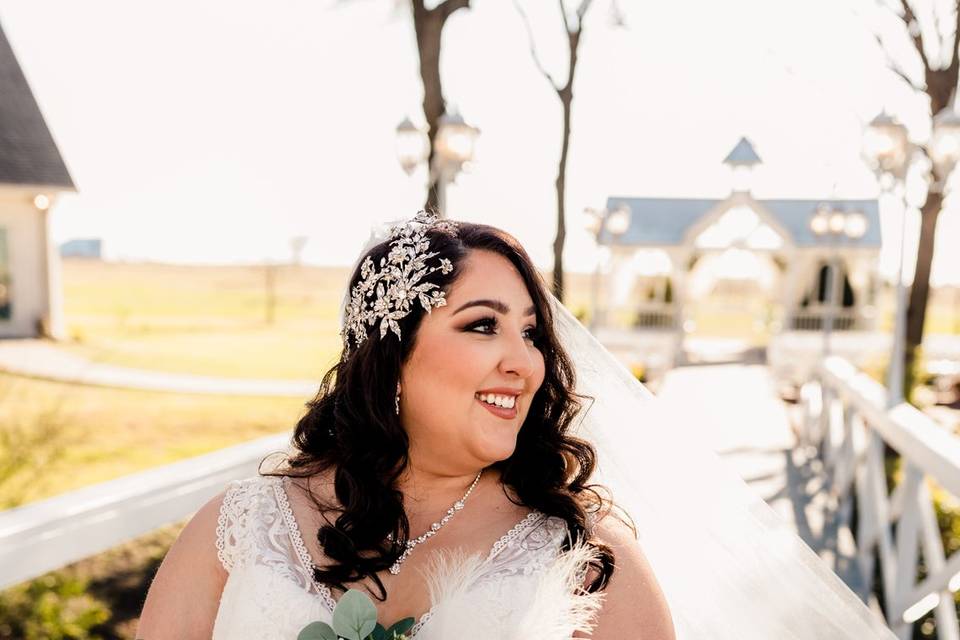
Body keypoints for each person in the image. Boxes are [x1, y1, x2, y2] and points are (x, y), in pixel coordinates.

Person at [136, 212, 676, 639]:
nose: (524, 362)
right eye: (483, 325)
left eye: (531, 333)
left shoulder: (585, 554)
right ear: (392, 357)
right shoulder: (243, 526)